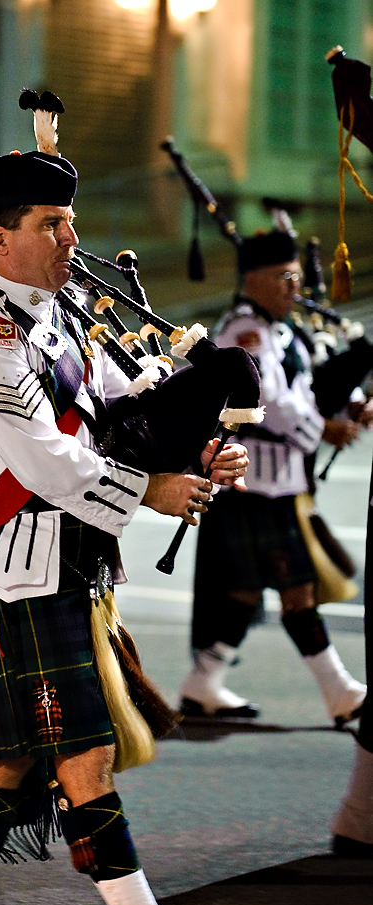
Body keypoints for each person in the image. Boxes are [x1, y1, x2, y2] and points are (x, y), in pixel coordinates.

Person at [0, 149, 256, 905]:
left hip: (69, 561)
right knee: (85, 756)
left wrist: (200, 442)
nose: (71, 237)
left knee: (7, 755)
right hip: (17, 570)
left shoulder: (58, 317)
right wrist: (155, 492)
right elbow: (48, 460)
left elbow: (124, 404)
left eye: (70, 221)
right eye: (50, 225)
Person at [177, 230, 368, 725]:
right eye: (286, 279)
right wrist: (323, 430)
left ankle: (203, 682)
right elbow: (269, 403)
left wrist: (346, 408)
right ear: (255, 279)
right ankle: (341, 692)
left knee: (245, 589)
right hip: (252, 484)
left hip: (276, 484)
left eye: (296, 279)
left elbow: (301, 390)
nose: (293, 289)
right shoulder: (245, 331)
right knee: (295, 590)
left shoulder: (278, 331)